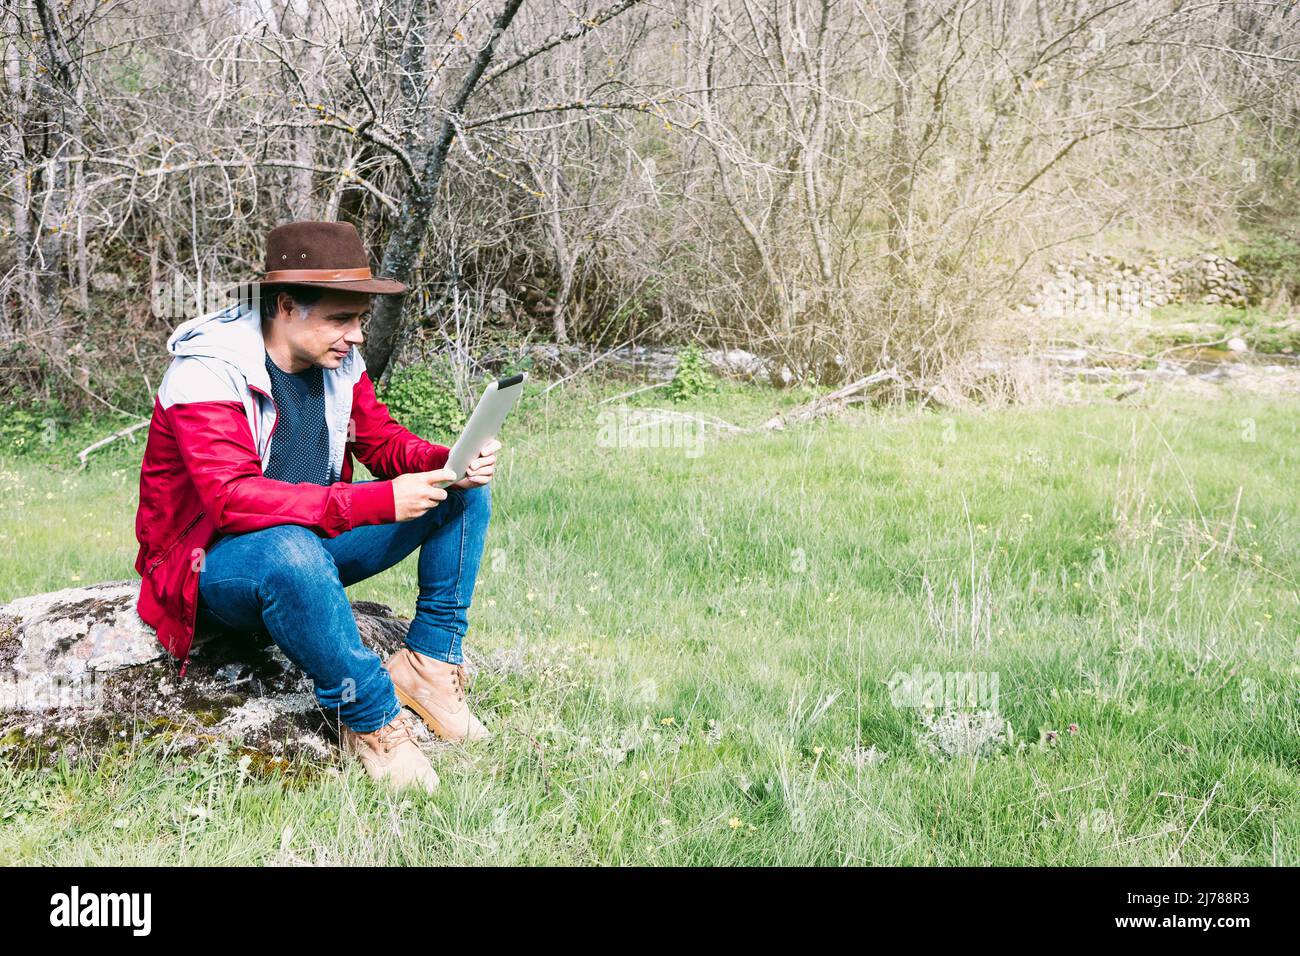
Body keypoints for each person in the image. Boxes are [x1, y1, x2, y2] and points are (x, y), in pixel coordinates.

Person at [133, 220, 501, 794]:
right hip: (213, 566)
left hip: (308, 543)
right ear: (285, 305)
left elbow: (378, 441)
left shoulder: (337, 362)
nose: (356, 336)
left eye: (359, 319)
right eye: (340, 319)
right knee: (291, 550)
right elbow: (232, 499)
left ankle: (428, 665)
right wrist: (376, 499)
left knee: (460, 493)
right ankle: (372, 718)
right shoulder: (207, 372)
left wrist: (445, 461)